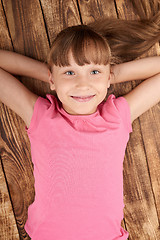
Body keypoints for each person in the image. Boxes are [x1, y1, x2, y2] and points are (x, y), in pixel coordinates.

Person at [0, 15, 160, 240]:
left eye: (94, 72)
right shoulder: (41, 115)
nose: (82, 84)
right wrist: (52, 75)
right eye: (69, 72)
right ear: (52, 79)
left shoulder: (117, 116)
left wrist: (109, 76)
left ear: (108, 78)